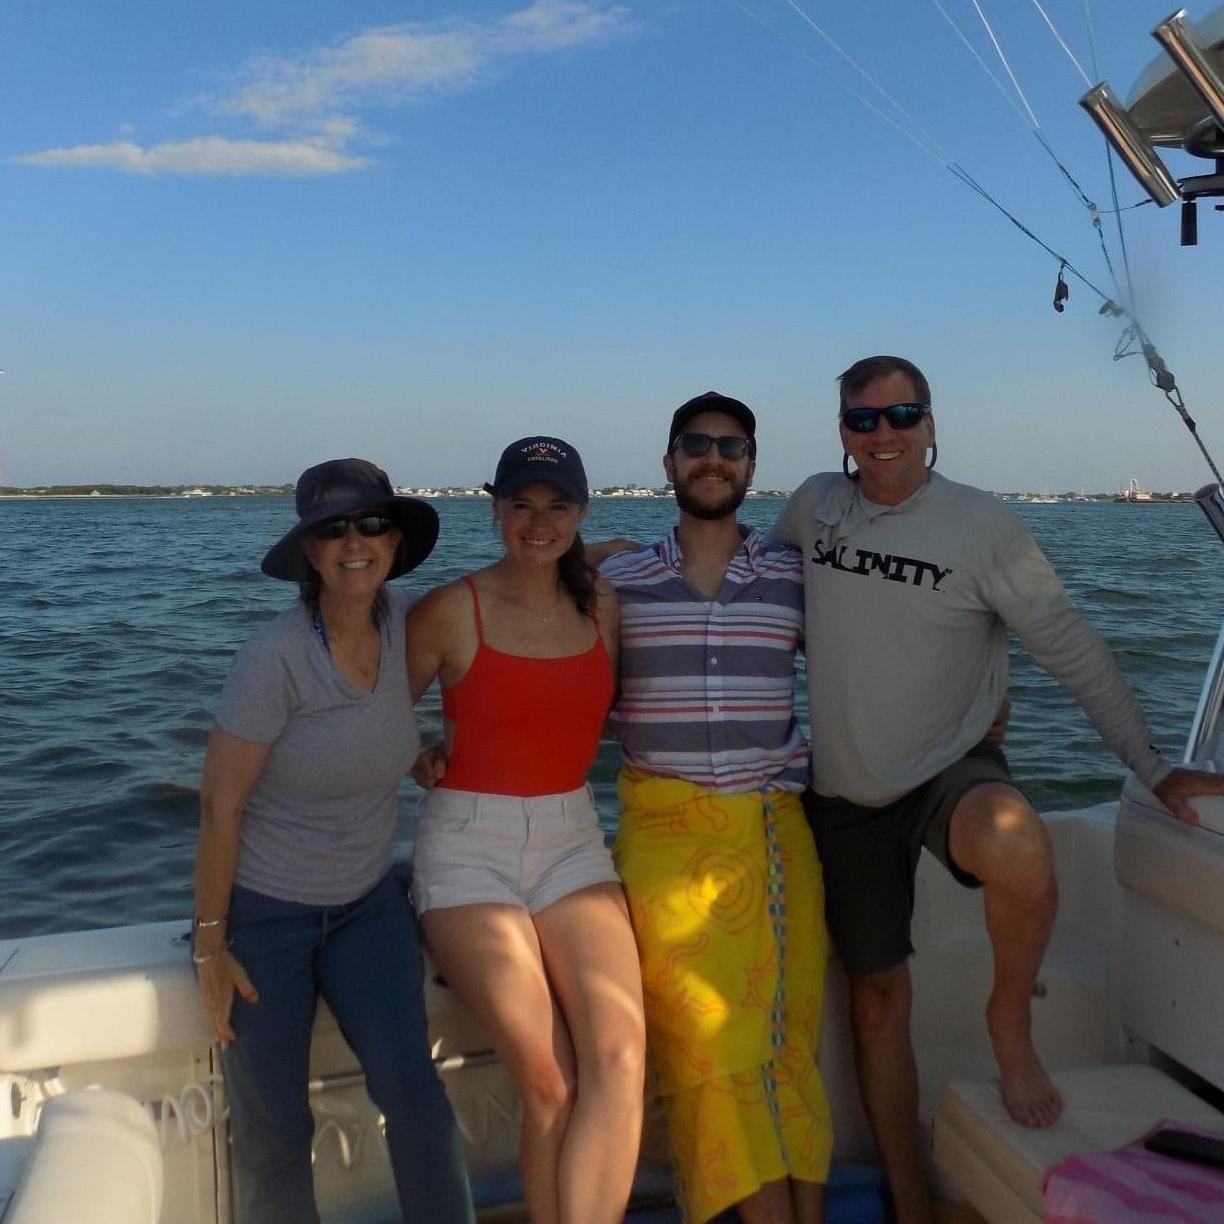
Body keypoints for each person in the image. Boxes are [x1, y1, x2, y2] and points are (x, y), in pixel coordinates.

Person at [771, 354, 1224, 1224]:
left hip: (952, 764)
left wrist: (1153, 764)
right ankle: (907, 1196)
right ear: (841, 436)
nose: (884, 436)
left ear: (932, 423)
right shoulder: (812, 506)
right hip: (845, 789)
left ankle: (1009, 1024)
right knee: (874, 999)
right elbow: (755, 591)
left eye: (901, 416)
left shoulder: (984, 528)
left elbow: (1075, 649)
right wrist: (612, 563)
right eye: (863, 421)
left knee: (1018, 840)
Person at [193, 458, 475, 1224]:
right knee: (273, 1127)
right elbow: (220, 806)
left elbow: (509, 594)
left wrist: (615, 554)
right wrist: (209, 946)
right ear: (311, 552)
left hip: (366, 906)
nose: (356, 541)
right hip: (264, 918)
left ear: (394, 540)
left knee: (415, 1096)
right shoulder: (275, 656)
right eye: (333, 529)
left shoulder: (409, 623)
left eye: (372, 523)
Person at [601, 392, 833, 1224]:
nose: (712, 459)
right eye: (695, 445)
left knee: (786, 1043)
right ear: (668, 462)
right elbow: (526, 630)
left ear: (751, 467)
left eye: (730, 447)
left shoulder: (793, 576)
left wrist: (982, 703)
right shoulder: (615, 579)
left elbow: (891, 650)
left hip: (774, 834)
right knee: (704, 1047)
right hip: (664, 834)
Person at [406, 436, 646, 1224]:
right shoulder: (449, 610)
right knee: (550, 1079)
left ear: (580, 513)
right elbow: (369, 722)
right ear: (496, 509)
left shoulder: (602, 604)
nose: (537, 522)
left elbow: (659, 557)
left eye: (557, 507)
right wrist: (417, 755)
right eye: (521, 505)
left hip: (573, 839)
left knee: (618, 1058)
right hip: (468, 847)